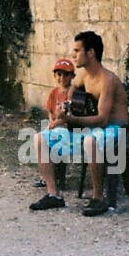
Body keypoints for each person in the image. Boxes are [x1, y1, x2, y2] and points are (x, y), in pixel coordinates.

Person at [29, 31, 127, 217]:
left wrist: (72, 120)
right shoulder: (83, 76)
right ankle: (53, 194)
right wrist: (68, 107)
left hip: (114, 129)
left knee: (90, 141)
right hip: (89, 128)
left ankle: (98, 198)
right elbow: (73, 89)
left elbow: (102, 119)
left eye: (77, 50)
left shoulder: (107, 80)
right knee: (40, 138)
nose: (73, 55)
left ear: (90, 53)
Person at [32, 58, 76, 191]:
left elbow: (70, 116)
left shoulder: (73, 93)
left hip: (68, 127)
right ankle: (46, 176)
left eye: (66, 75)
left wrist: (56, 123)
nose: (62, 78)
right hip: (55, 126)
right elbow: (50, 111)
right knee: (41, 140)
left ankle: (57, 177)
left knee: (55, 140)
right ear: (55, 76)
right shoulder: (53, 93)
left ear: (72, 76)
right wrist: (52, 122)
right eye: (59, 74)